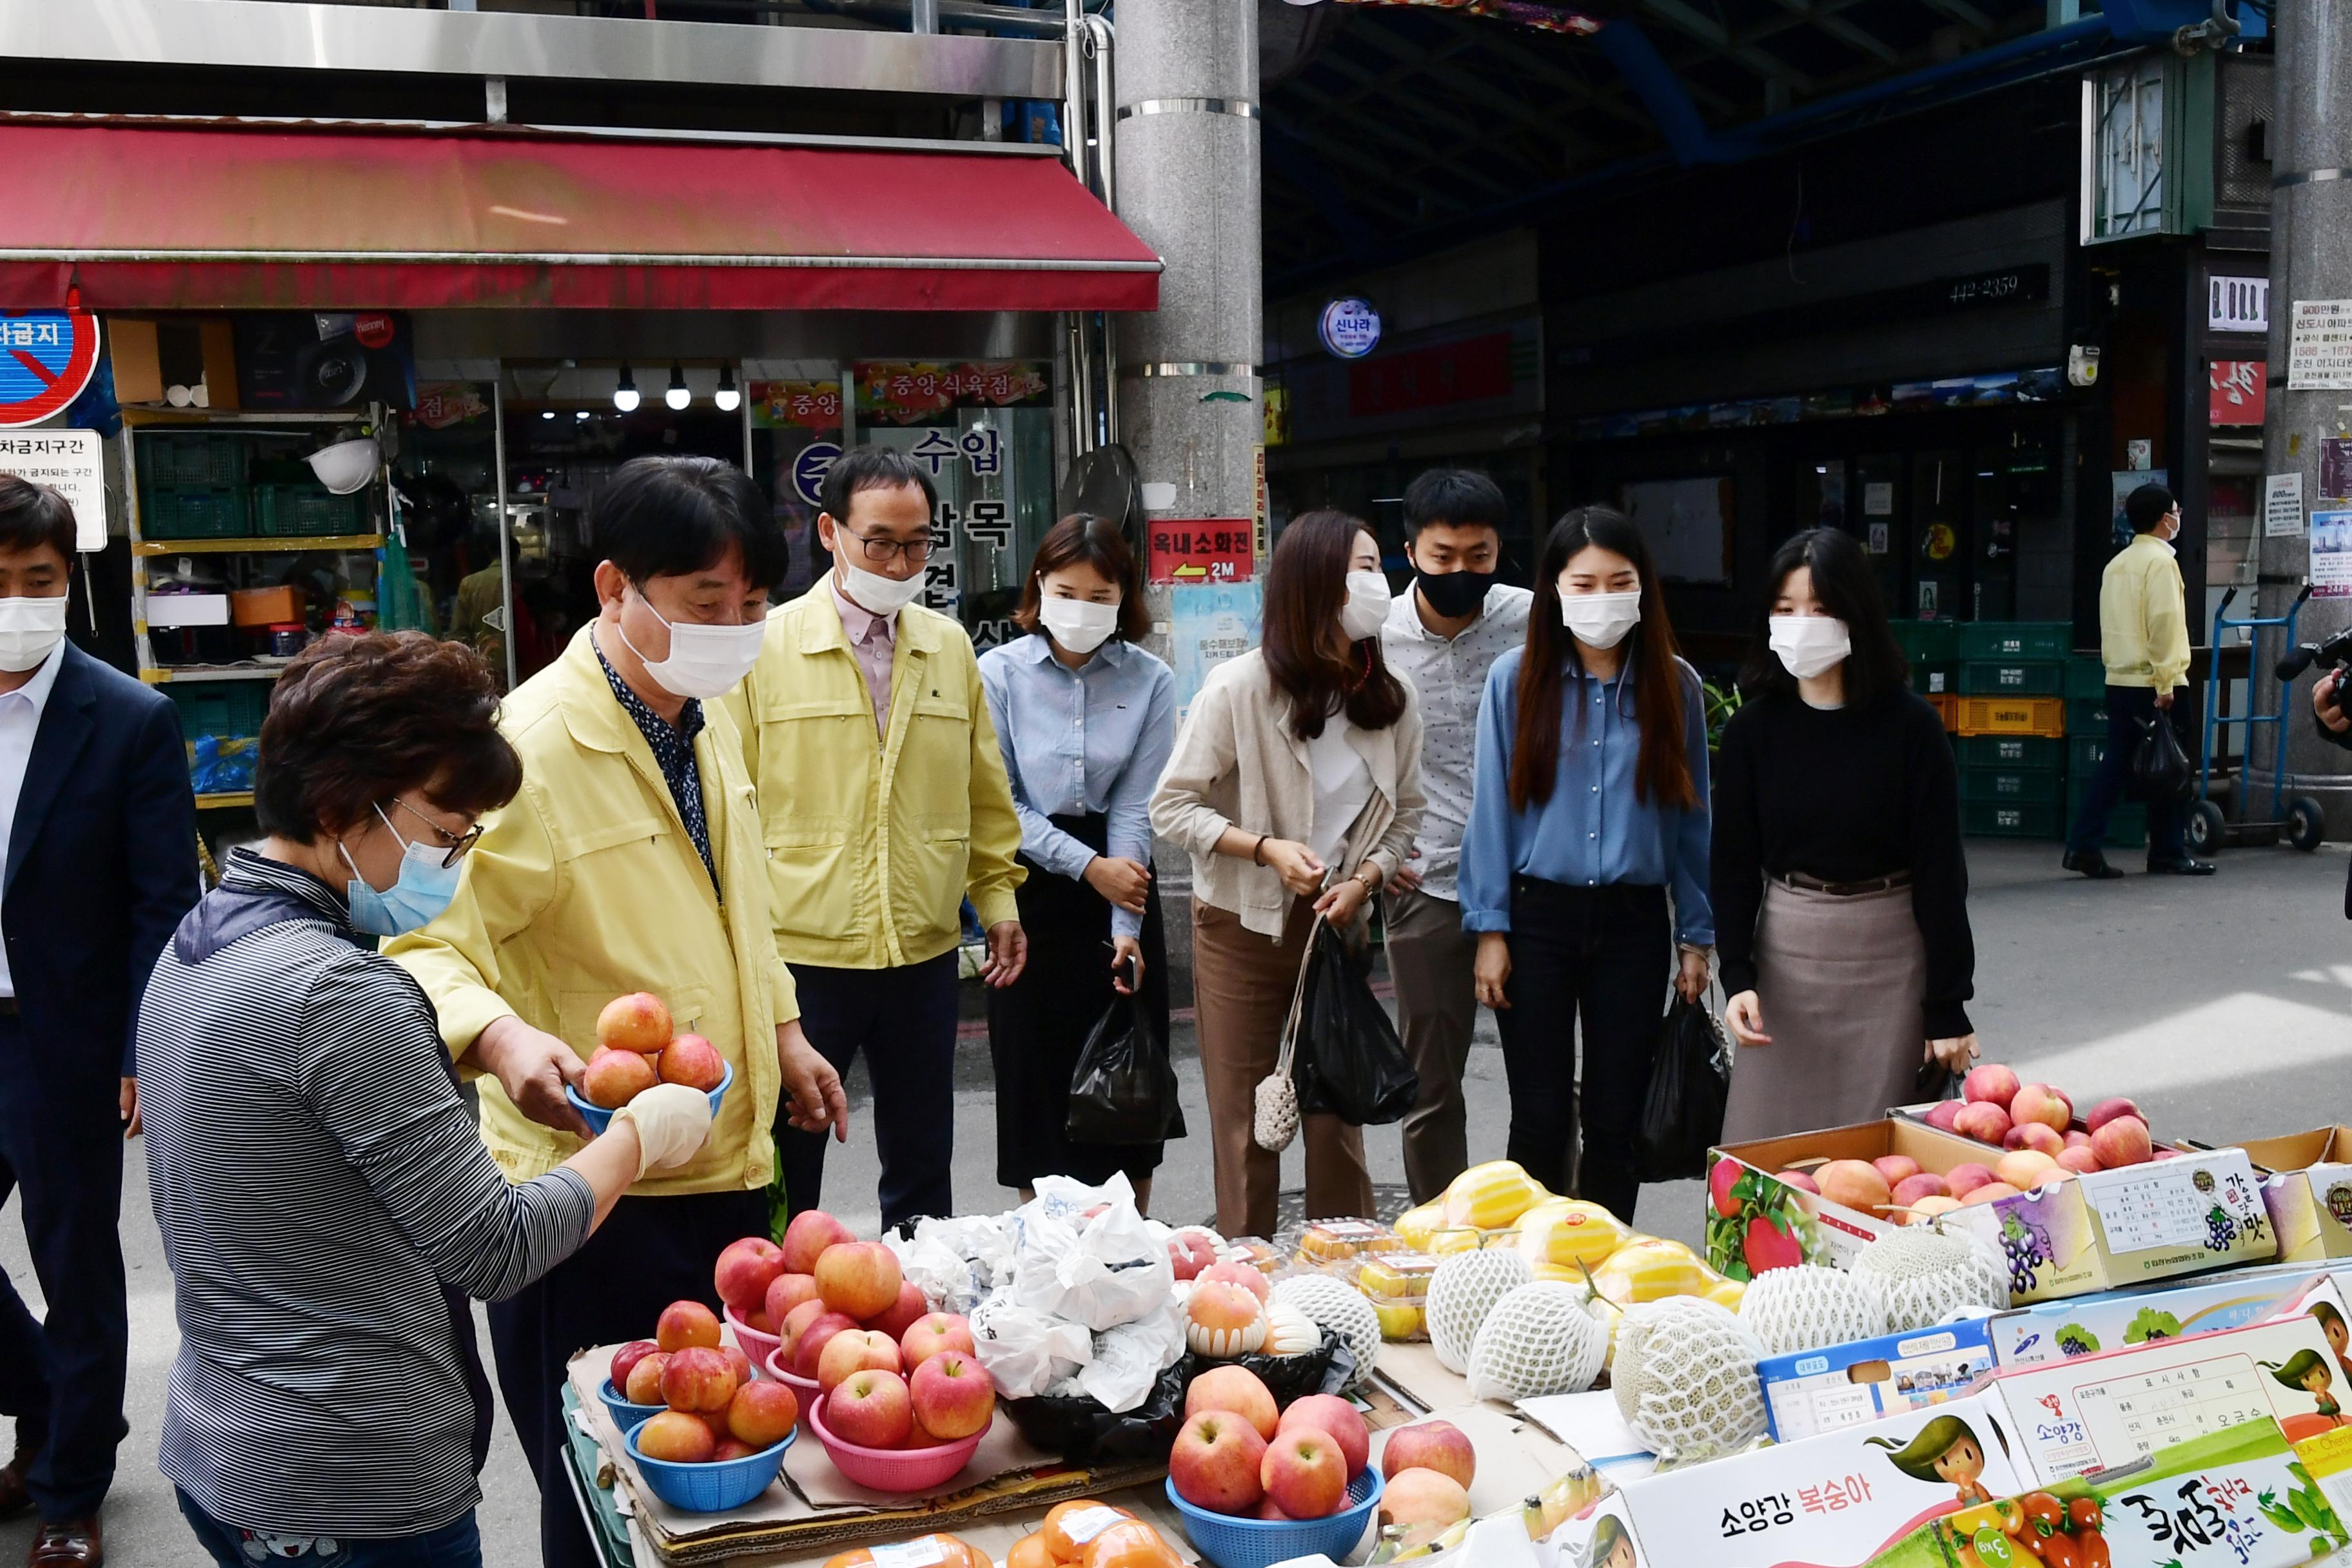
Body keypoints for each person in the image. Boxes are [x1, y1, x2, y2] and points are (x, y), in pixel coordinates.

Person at [139, 633, 716, 1568]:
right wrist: (640, 1140)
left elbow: (302, 1142)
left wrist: (472, 1059)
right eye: (446, 836)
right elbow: (496, 1246)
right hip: (349, 1477)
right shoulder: (338, 994)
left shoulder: (201, 941)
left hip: (226, 1443)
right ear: (340, 810)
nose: (453, 863)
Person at [386, 456, 848, 1568]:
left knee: (714, 1485)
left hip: (722, 1167)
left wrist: (781, 1028)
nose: (735, 630)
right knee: (604, 1499)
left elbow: (739, 904)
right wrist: (496, 1037)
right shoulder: (527, 749)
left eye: (750, 607)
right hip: (583, 1192)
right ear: (613, 588)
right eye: (705, 604)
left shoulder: (707, 712)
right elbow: (420, 941)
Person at [725, 446, 1025, 1232]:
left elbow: (983, 792)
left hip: (923, 949)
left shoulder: (947, 646)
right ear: (830, 532)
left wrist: (996, 898)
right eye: (881, 541)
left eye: (919, 542)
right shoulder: (765, 644)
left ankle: (916, 1324)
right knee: (790, 1158)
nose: (900, 561)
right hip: (803, 953)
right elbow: (729, 808)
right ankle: (781, 1320)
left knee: (924, 1165)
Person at [0, 476, 199, 1568]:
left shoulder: (127, 719)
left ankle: (68, 1487)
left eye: (37, 580)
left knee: (75, 1261)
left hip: (63, 1034)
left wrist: (138, 1044)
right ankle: (55, 1403)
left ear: (69, 583)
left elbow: (160, 903)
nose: (17, 601)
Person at [1151, 509, 1424, 1237]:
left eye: (1377, 567)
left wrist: (1365, 879)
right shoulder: (1238, 688)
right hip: (1241, 925)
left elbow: (1407, 813)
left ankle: (1348, 1285)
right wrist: (1264, 847)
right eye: (1361, 569)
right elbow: (1172, 807)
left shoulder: (1390, 700)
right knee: (1248, 1122)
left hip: (1336, 927)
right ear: (1315, 584)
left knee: (1338, 1116)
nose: (1377, 584)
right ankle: (1247, 1293)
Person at [1458, 507, 1712, 1223]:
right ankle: (1530, 1277)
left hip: (1633, 924)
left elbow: (1694, 820)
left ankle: (1605, 1268)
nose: (1602, 597)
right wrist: (1490, 928)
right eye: (1584, 581)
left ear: (1643, 588)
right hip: (1536, 918)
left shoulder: (1677, 686)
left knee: (1614, 1118)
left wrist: (1698, 935)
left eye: (1619, 581)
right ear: (1556, 589)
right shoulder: (1516, 682)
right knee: (1538, 1116)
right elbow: (1492, 813)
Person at [1711, 527, 1978, 1142]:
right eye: (1786, 609)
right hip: (1789, 951)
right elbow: (1731, 862)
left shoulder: (1911, 726)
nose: (1801, 623)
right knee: (1763, 1149)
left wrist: (1947, 1004)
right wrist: (1738, 976)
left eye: (1821, 608)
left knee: (1875, 1158)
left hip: (1891, 956)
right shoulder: (1754, 730)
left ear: (1856, 614)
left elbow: (1942, 873)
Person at [979, 515, 1180, 1210]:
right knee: (1038, 1094)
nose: (1084, 609)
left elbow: (1134, 806)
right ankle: (1046, 1261)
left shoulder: (1151, 679)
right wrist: (1088, 867)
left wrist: (1126, 922)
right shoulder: (997, 673)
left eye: (1102, 596)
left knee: (1128, 1095)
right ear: (1039, 586)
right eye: (1069, 591)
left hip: (1120, 884)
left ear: (1125, 597)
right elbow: (999, 805)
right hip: (1029, 892)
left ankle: (1130, 1253)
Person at [1376, 469, 1533, 1206]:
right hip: (1426, 880)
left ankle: (1544, 1231)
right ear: (1409, 549)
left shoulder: (1536, 619)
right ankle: (1443, 1236)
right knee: (1431, 1086)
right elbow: (1334, 743)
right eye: (1443, 557)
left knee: (1542, 1079)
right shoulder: (1373, 633)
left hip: (1532, 878)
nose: (1461, 572)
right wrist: (1370, 848)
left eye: (1479, 556)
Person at [2064, 483, 2211, 877]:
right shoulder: (2161, 564)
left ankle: (2084, 844)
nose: (2179, 517)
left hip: (2120, 680)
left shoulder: (2117, 564)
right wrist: (2166, 682)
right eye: (2176, 511)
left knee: (2115, 767)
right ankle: (2168, 850)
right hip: (2156, 683)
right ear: (2165, 519)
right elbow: (2163, 623)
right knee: (2171, 767)